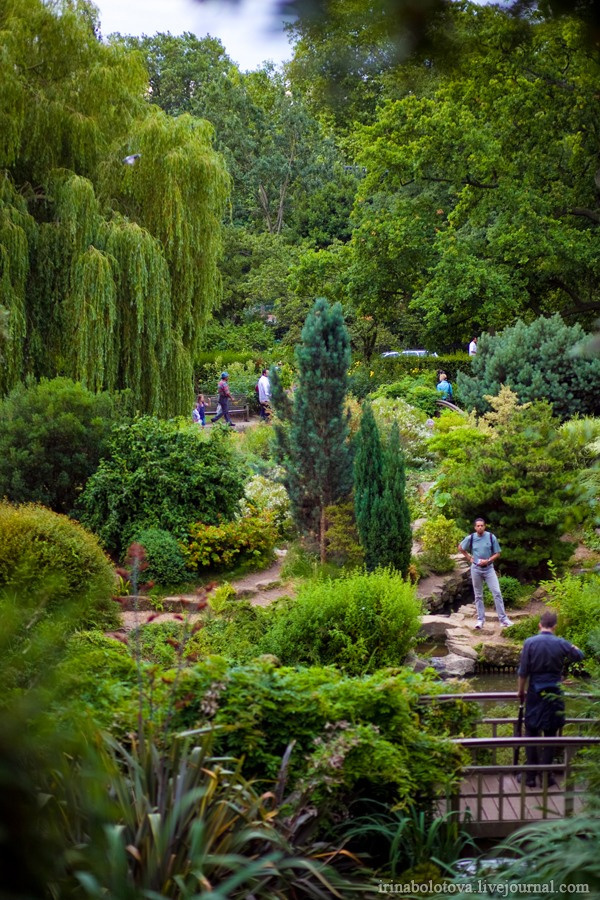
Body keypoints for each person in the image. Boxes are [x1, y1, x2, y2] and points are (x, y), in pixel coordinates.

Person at [517, 611, 584, 787]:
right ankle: (546, 776)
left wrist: (520, 692)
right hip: (554, 693)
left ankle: (530, 776)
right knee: (550, 734)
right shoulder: (561, 643)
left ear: (540, 625)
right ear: (555, 626)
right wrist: (574, 647)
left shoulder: (529, 643)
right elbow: (579, 655)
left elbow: (523, 671)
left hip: (534, 693)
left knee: (531, 732)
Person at [458, 517, 513, 629]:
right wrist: (469, 558)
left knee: (497, 592)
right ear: (475, 527)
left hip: (489, 569)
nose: (480, 527)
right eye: (478, 526)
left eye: (482, 525)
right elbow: (460, 547)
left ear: (485, 526)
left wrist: (488, 560)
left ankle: (503, 619)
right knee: (478, 595)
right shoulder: (471, 538)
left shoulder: (491, 537)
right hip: (476, 569)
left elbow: (497, 553)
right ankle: (480, 620)